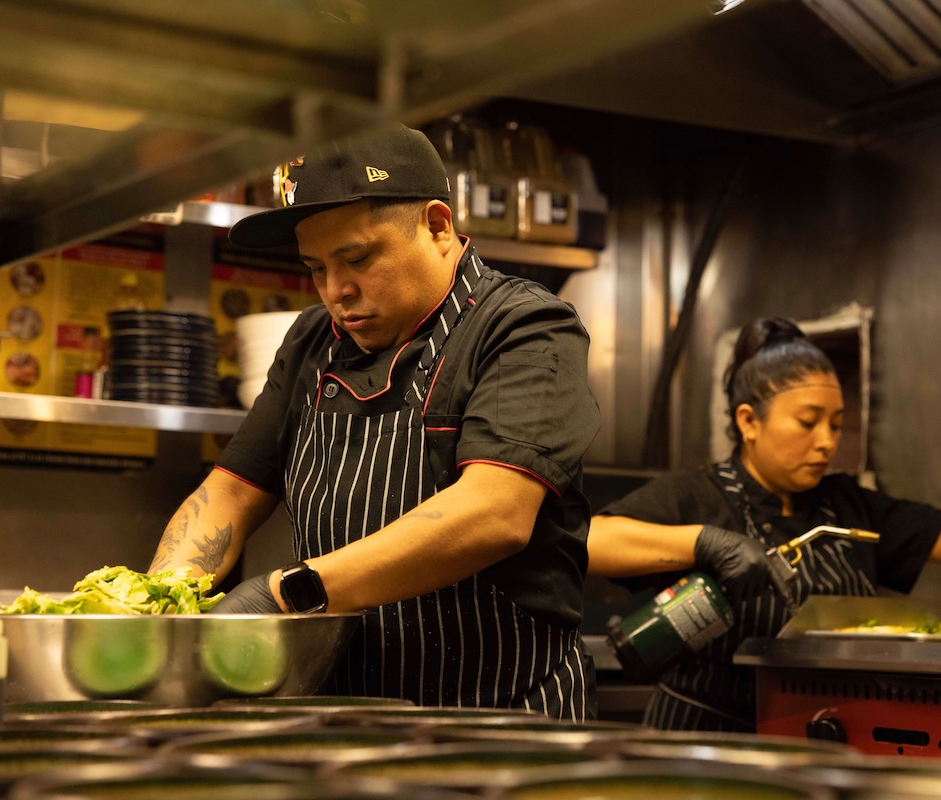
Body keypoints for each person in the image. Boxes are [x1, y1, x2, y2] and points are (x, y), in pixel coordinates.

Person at [148, 122, 602, 718]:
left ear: (438, 226)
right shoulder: (313, 339)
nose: (336, 290)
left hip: (497, 718)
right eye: (316, 268)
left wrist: (290, 593)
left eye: (357, 258)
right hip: (344, 716)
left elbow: (494, 513)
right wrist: (155, 609)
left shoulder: (525, 327)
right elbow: (231, 491)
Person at [587, 317, 941, 732]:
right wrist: (703, 542)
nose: (826, 442)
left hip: (819, 737)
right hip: (700, 743)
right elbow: (592, 540)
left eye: (836, 425)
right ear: (749, 422)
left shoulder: (846, 504)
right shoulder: (698, 495)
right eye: (807, 422)